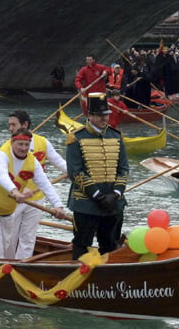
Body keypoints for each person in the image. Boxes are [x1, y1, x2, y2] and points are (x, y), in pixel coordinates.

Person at [0, 128, 66, 259]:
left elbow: (45, 184)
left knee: (7, 252)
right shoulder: (1, 155)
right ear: (12, 142)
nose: (23, 148)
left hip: (7, 211)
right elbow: (1, 175)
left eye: (27, 145)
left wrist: (58, 205)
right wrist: (15, 191)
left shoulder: (32, 161)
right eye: (20, 144)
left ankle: (7, 274)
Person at [66, 93, 128, 259]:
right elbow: (76, 172)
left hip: (113, 203)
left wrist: (116, 193)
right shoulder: (75, 138)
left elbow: (123, 169)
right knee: (81, 245)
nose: (104, 118)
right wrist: (97, 195)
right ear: (90, 115)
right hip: (86, 203)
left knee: (110, 245)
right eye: (100, 115)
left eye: (106, 115)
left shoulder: (116, 136)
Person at [2, 110, 68, 258]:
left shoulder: (42, 142)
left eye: (13, 124)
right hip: (15, 199)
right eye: (10, 125)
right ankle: (7, 264)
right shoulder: (8, 146)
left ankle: (22, 265)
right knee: (9, 238)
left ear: (25, 124)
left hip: (36, 198)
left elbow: (59, 162)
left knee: (28, 238)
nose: (10, 128)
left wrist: (75, 172)